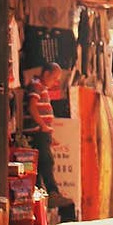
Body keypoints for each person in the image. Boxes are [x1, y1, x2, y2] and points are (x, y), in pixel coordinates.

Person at [23, 62, 74, 211]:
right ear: (46, 74)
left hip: (42, 133)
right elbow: (32, 107)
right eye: (54, 78)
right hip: (37, 132)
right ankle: (52, 193)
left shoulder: (41, 87)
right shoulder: (36, 85)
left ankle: (40, 197)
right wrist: (43, 126)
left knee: (40, 165)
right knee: (46, 162)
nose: (56, 82)